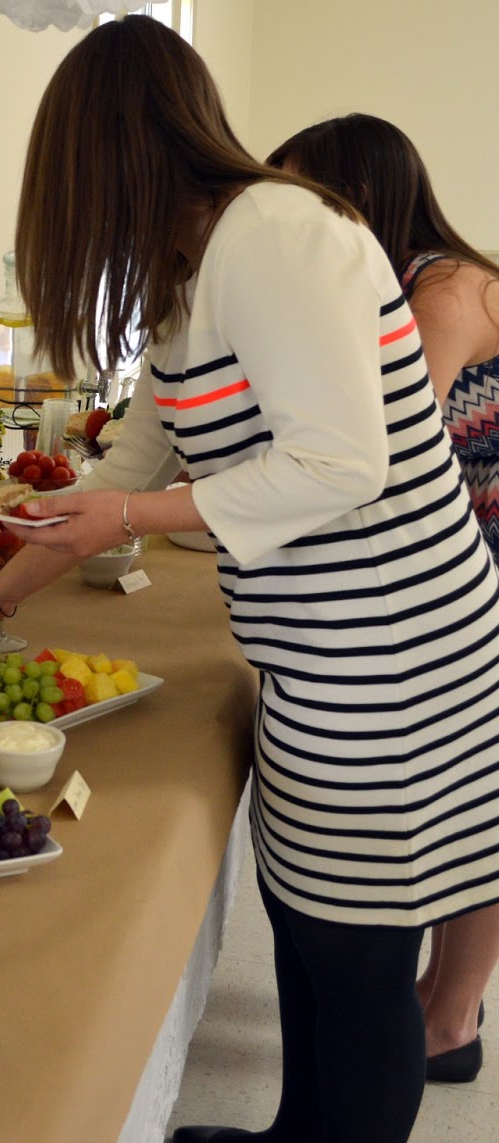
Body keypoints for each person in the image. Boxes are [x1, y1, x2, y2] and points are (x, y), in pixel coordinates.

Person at [0, 19, 499, 1143]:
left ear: (111, 160)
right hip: (316, 662)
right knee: (315, 929)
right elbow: (126, 468)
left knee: (352, 961)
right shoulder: (189, 280)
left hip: (389, 664)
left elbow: (340, 463)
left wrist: (129, 515)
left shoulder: (281, 232)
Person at [267, 113, 499, 1087]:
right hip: (461, 559)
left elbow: (380, 458)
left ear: (350, 201)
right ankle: (436, 1018)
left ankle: (446, 1024)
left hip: (482, 564)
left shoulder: (443, 292)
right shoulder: (389, 288)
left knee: (479, 812)